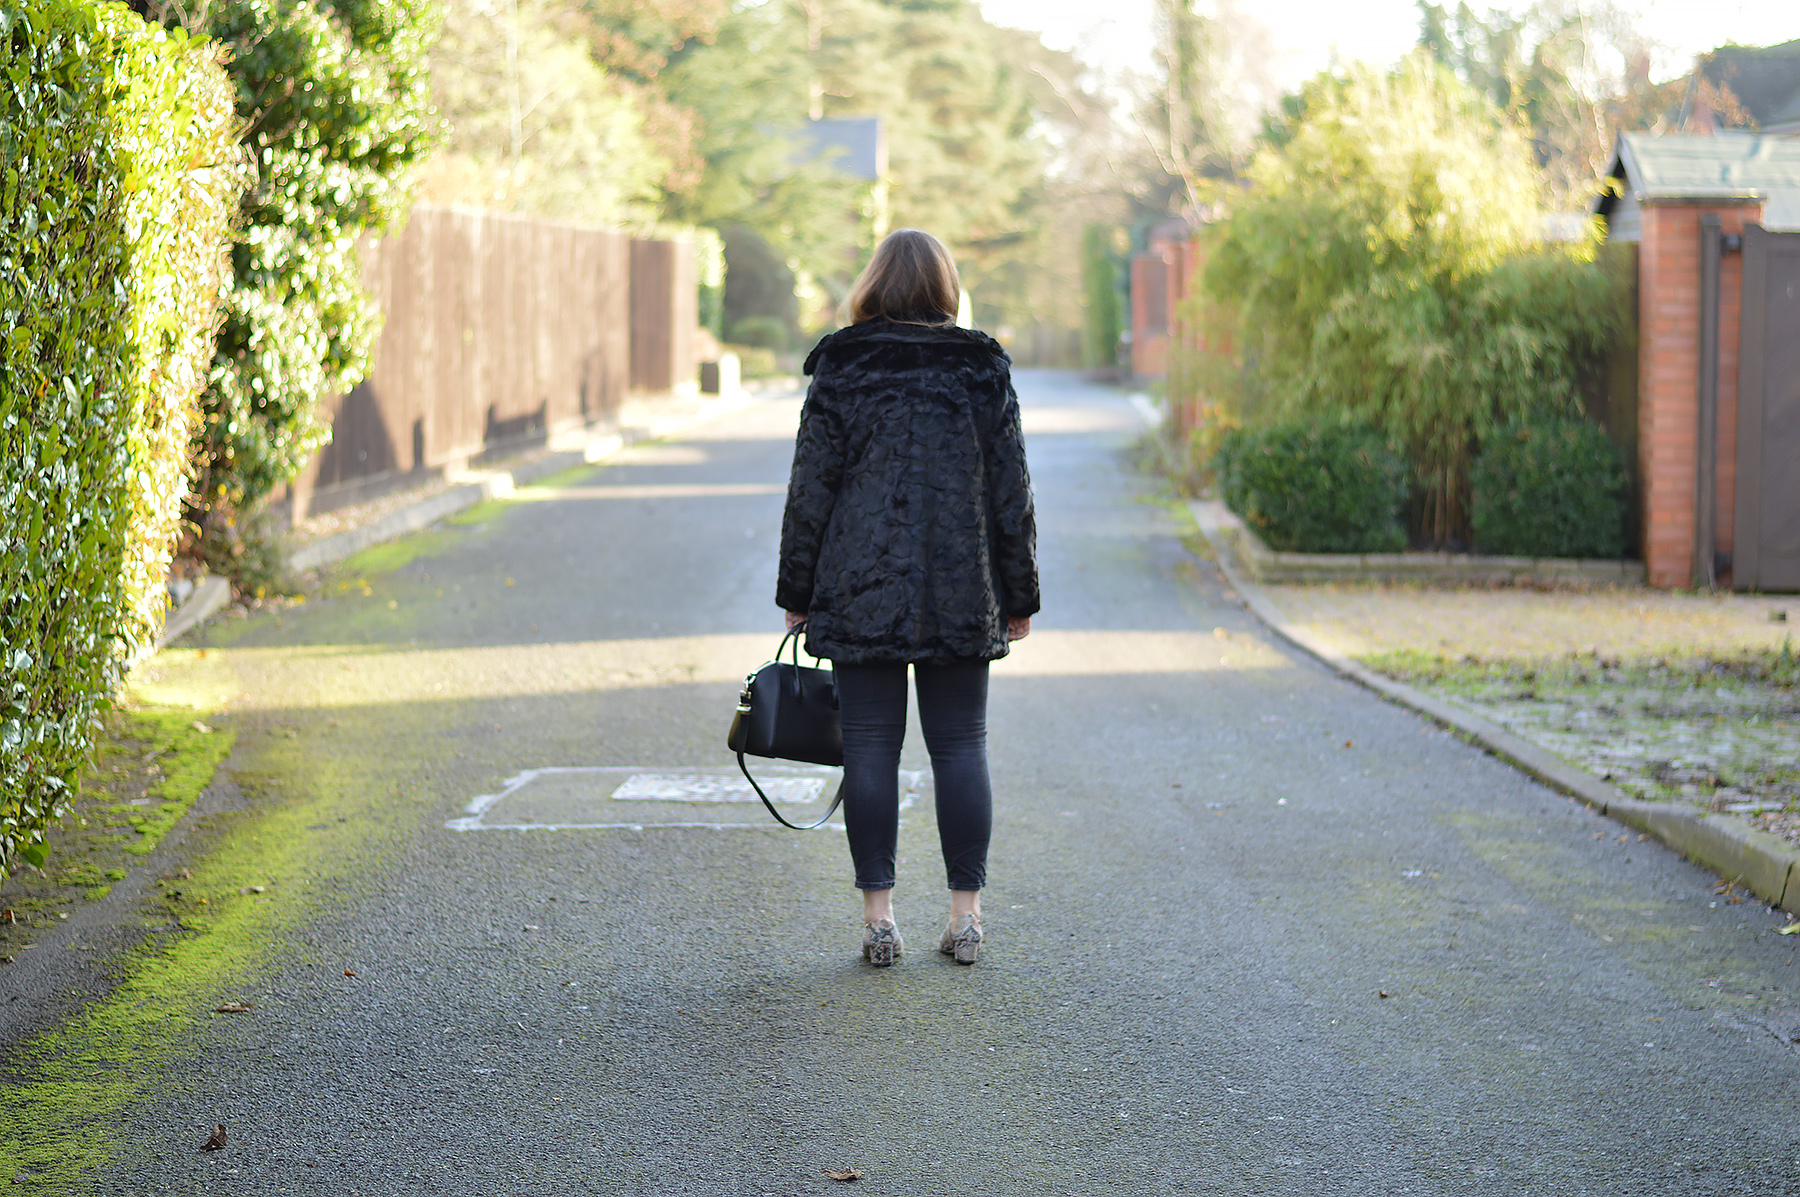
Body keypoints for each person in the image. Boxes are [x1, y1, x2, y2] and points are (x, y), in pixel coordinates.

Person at [776, 228, 1038, 967]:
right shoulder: (981, 367)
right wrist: (1019, 595)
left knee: (869, 749)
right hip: (960, 584)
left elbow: (811, 490)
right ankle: (965, 916)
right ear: (947, 287)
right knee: (960, 747)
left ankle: (879, 919)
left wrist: (797, 590)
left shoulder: (842, 364)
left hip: (861, 585)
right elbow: (1011, 492)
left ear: (873, 284)